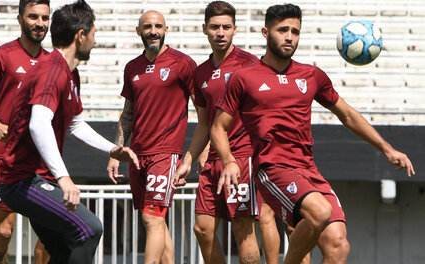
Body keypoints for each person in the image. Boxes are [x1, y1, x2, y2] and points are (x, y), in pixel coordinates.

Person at [211, 3, 415, 264]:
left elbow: (348, 114)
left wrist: (387, 149)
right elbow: (218, 127)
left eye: (295, 31)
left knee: (338, 247)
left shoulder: (312, 75)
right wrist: (229, 160)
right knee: (319, 213)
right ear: (265, 32)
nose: (289, 37)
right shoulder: (244, 78)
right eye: (282, 30)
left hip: (307, 168)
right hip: (272, 168)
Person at [0, 1, 139, 263]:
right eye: (94, 35)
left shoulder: (70, 74)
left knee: (64, 249)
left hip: (35, 180)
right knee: (89, 229)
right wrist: (64, 179)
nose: (95, 42)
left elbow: (75, 124)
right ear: (80, 35)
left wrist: (112, 148)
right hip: (21, 181)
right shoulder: (52, 70)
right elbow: (38, 123)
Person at [170, 1, 279, 263]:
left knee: (242, 228)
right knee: (202, 229)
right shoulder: (200, 73)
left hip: (242, 158)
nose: (221, 32)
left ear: (235, 30)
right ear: (205, 29)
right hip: (213, 161)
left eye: (226, 27)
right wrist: (187, 159)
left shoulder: (250, 65)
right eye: (215, 27)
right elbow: (205, 124)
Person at [107, 10, 197, 264]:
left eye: (158, 26)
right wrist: (117, 152)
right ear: (139, 31)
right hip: (137, 155)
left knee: (152, 217)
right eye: (147, 26)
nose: (153, 30)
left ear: (166, 30)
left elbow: (203, 110)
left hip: (165, 152)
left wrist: (196, 152)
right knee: (157, 221)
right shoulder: (132, 68)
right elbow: (127, 114)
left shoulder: (182, 63)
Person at [0, 0, 51, 263]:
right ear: (19, 19)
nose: (39, 23)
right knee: (4, 232)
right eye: (33, 17)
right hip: (4, 156)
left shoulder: (54, 63)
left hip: (40, 159)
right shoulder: (1, 56)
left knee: (50, 235)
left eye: (44, 18)